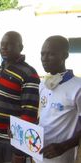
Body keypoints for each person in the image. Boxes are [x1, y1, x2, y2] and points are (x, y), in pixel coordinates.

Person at [0, 31, 40, 163]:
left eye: (9, 44)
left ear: (20, 48)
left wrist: (20, 150)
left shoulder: (29, 74)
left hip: (13, 143)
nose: (4, 47)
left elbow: (29, 113)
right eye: (2, 44)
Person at [35, 35, 81, 163]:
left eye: (51, 54)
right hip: (39, 156)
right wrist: (19, 132)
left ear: (65, 55)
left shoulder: (78, 87)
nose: (44, 59)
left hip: (62, 159)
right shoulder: (43, 84)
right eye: (42, 54)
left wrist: (64, 146)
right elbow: (43, 118)